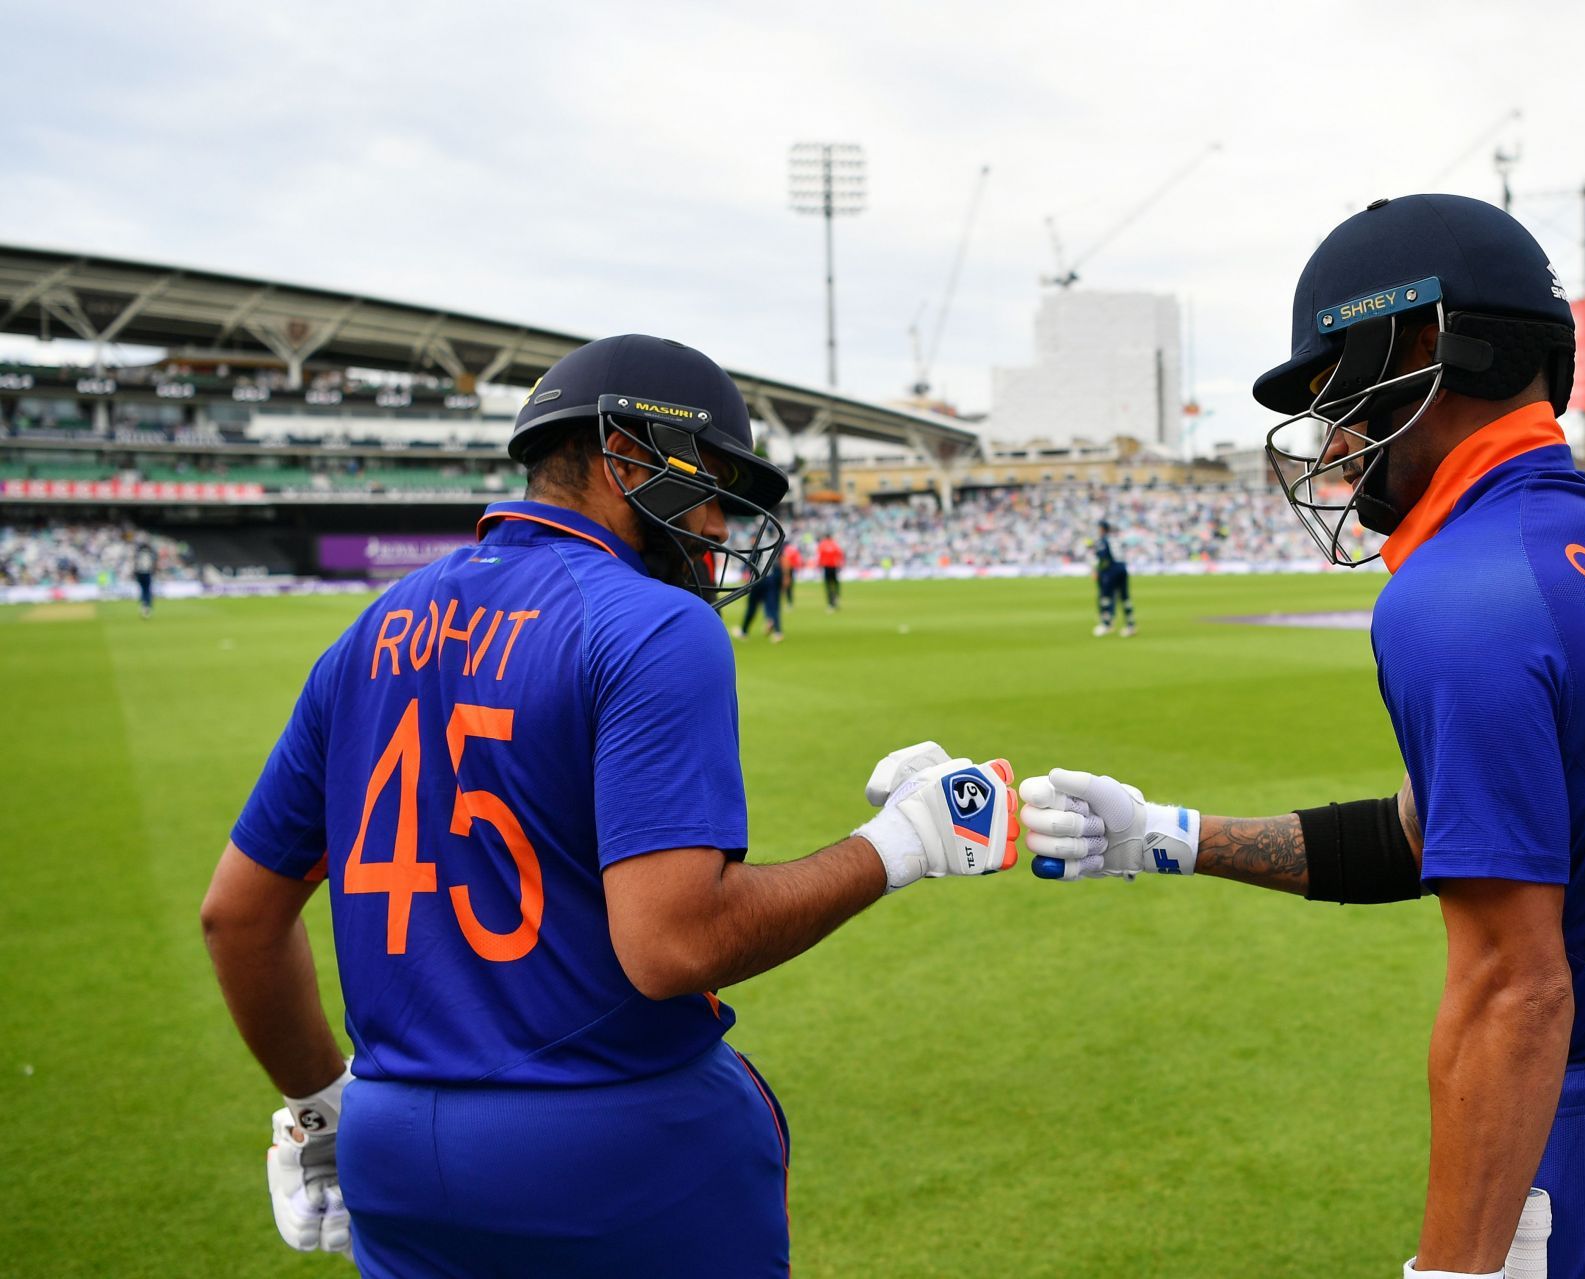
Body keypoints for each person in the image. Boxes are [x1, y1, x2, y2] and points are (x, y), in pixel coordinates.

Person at [1018, 195, 1585, 1278]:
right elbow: (1454, 834)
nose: (1334, 434)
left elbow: (1514, 988)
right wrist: (1173, 835)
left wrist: (1452, 1268)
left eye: (1341, 384)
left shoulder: (1455, 593)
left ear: (1427, 344)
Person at [199, 334, 1019, 1277]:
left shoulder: (370, 629)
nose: (719, 520)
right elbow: (675, 944)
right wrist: (903, 841)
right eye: (711, 481)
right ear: (628, 453)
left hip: (392, 1147)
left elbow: (237, 917)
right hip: (615, 1140)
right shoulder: (654, 623)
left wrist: (320, 1108)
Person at [1091, 518, 1134, 637]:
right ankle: (1130, 625)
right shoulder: (1116, 538)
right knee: (1125, 597)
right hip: (1123, 568)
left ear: (1102, 529)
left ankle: (1106, 624)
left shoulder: (1103, 540)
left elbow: (1102, 558)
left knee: (1105, 597)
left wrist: (1098, 571)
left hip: (1111, 570)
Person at [738, 547, 784, 643]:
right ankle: (777, 631)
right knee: (772, 607)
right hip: (771, 580)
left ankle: (744, 631)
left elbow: (748, 565)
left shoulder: (756, 549)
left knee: (752, 607)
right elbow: (781, 561)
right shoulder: (773, 548)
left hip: (757, 580)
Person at [816, 531, 844, 610]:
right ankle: (837, 596)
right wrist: (839, 565)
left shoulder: (822, 544)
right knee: (835, 583)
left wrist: (819, 565)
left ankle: (830, 603)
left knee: (828, 585)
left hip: (827, 567)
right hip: (834, 566)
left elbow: (820, 556)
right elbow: (840, 555)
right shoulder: (835, 544)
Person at [132, 537, 157, 617]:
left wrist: (135, 573)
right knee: (147, 589)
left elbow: (135, 564)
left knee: (143, 589)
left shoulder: (138, 554)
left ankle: (143, 604)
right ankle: (147, 605)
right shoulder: (150, 554)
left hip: (140, 573)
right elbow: (153, 564)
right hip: (147, 573)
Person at [781, 537, 802, 607]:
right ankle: (789, 602)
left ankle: (788, 602)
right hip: (791, 569)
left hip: (786, 569)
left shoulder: (785, 550)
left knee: (785, 586)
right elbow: (797, 560)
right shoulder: (793, 550)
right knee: (789, 586)